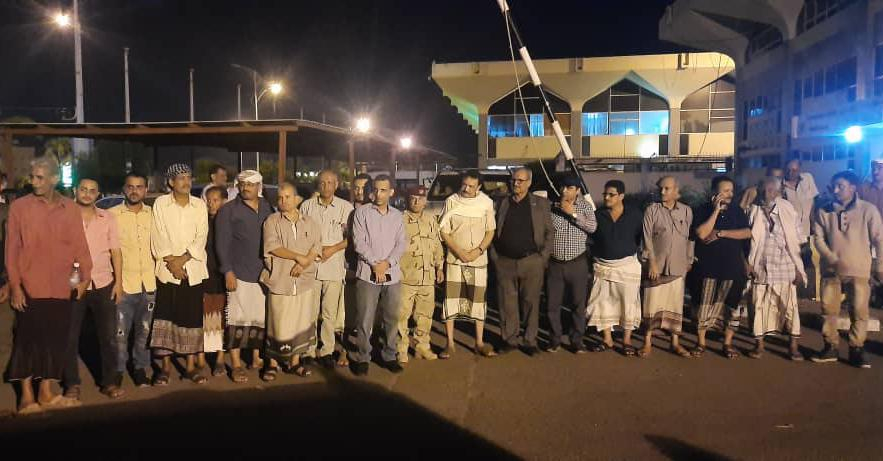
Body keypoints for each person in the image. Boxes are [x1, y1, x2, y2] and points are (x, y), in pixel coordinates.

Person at [6, 156, 92, 414]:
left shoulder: (70, 208)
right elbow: (11, 251)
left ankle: (45, 393)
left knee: (54, 341)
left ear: (55, 178)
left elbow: (80, 246)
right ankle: (26, 397)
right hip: (30, 287)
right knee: (27, 342)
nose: (34, 182)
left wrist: (84, 277)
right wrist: (15, 286)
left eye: (40, 177)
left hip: (61, 287)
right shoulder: (19, 208)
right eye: (32, 177)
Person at [811, 170, 883, 368]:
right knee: (828, 310)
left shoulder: (868, 210)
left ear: (852, 188)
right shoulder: (824, 211)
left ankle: (856, 348)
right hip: (831, 270)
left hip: (859, 269)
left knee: (859, 311)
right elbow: (818, 238)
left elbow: (879, 239)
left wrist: (880, 265)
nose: (835, 190)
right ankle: (830, 346)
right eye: (833, 186)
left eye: (840, 186)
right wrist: (832, 259)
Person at [63, 178, 125, 400]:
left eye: (92, 191)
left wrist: (118, 283)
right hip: (73, 285)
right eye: (83, 189)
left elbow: (116, 251)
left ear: (98, 195)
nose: (87, 194)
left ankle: (109, 382)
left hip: (103, 283)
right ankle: (71, 384)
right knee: (70, 338)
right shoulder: (64, 217)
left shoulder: (107, 218)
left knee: (108, 337)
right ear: (75, 191)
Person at [150, 163, 209, 385]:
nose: (186, 182)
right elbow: (158, 234)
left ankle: (190, 367)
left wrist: (183, 260)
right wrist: (172, 264)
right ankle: (165, 368)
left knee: (191, 318)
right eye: (181, 178)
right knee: (166, 317)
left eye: (188, 177)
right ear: (171, 182)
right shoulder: (161, 203)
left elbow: (201, 235)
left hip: (193, 269)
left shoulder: (199, 205)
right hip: (167, 271)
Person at [215, 170, 273, 383]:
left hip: (262, 273)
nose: (246, 187)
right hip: (238, 273)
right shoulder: (228, 210)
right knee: (237, 320)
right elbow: (221, 243)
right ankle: (236, 364)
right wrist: (227, 271)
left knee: (259, 319)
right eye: (243, 184)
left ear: (259, 186)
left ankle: (256, 359)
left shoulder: (267, 207)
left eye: (251, 184)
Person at [490, 168, 554, 356]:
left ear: (529, 183)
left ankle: (529, 340)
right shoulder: (501, 203)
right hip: (504, 261)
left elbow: (549, 232)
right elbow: (491, 230)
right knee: (506, 303)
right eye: (513, 180)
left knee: (530, 302)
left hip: (531, 261)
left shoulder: (541, 204)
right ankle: (509, 339)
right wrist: (494, 256)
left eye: (520, 180)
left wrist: (543, 257)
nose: (515, 183)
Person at [261, 183, 321, 378]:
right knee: (278, 323)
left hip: (303, 281)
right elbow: (272, 246)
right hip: (281, 280)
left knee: (300, 322)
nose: (283, 201)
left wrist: (304, 263)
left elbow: (316, 246)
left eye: (287, 197)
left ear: (297, 200)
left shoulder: (309, 222)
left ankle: (295, 363)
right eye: (280, 197)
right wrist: (297, 257)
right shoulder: (272, 221)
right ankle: (272, 363)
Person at [349, 175, 407, 375]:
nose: (379, 194)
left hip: (392, 275)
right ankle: (363, 356)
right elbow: (359, 242)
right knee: (365, 318)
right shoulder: (361, 213)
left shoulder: (397, 216)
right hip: (368, 274)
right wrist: (375, 264)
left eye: (383, 190)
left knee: (392, 317)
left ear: (391, 192)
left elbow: (401, 243)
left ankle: (389, 355)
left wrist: (386, 264)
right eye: (376, 189)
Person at [745, 176, 806, 360]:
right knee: (758, 306)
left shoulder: (788, 209)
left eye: (771, 190)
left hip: (785, 266)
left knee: (790, 308)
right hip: (761, 266)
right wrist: (747, 263)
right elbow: (746, 240)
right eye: (763, 190)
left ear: (779, 192)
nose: (766, 194)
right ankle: (759, 345)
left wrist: (798, 268)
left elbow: (798, 241)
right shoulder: (752, 210)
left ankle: (793, 347)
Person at [691, 175, 751, 359]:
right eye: (725, 191)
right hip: (708, 267)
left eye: (731, 191)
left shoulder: (737, 211)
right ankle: (701, 342)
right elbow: (701, 233)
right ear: (714, 192)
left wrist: (721, 233)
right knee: (704, 305)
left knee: (731, 306)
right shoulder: (702, 210)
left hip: (732, 267)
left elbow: (747, 232)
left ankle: (727, 343)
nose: (729, 194)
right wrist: (716, 211)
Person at [438, 170, 496, 359]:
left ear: (479, 187)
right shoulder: (451, 201)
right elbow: (444, 230)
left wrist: (478, 251)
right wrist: (459, 252)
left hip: (478, 260)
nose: (466, 188)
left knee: (477, 301)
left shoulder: (486, 203)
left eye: (471, 186)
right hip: (455, 260)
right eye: (464, 184)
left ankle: (479, 342)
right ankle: (450, 343)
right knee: (451, 300)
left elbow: (490, 231)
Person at [299, 170, 354, 369]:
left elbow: (351, 238)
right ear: (318, 184)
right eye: (322, 182)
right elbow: (300, 234)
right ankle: (308, 350)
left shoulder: (346, 208)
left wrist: (333, 249)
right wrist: (313, 250)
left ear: (336, 185)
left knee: (330, 314)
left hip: (334, 267)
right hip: (311, 268)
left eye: (330, 182)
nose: (326, 186)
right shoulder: (306, 206)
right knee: (310, 312)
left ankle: (327, 351)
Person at [586, 180, 643, 356]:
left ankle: (626, 341)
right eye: (605, 194)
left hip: (627, 265)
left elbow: (640, 237)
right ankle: (607, 340)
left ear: (621, 196)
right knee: (602, 303)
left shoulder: (635, 214)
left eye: (611, 194)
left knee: (628, 303)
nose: (607, 197)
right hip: (603, 266)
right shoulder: (598, 215)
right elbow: (592, 239)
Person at [111, 173, 157, 388]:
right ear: (124, 189)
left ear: (146, 190)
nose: (134, 191)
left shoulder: (154, 215)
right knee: (119, 332)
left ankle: (140, 368)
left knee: (144, 331)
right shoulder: (112, 215)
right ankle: (118, 370)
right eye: (130, 187)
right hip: (123, 284)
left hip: (149, 283)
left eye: (139, 187)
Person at [640, 176, 693, 358]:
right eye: (660, 188)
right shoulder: (652, 210)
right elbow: (646, 238)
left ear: (676, 190)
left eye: (667, 188)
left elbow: (689, 238)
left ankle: (674, 343)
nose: (662, 192)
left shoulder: (686, 211)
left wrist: (689, 260)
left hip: (678, 266)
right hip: (657, 267)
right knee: (651, 305)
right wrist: (652, 263)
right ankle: (647, 342)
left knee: (675, 306)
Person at [546, 175, 596, 353]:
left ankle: (576, 340)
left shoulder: (585, 206)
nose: (564, 191)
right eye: (562, 187)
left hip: (577, 262)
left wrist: (572, 213)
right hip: (555, 263)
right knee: (552, 304)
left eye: (569, 188)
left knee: (578, 304)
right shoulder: (552, 206)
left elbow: (592, 227)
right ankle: (554, 339)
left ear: (578, 190)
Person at [397, 185, 445, 362]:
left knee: (424, 316)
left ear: (425, 201)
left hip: (427, 277)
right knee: (401, 316)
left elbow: (437, 244)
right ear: (408, 200)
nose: (416, 202)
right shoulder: (399, 220)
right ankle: (400, 349)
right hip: (406, 277)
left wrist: (439, 267)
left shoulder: (431, 220)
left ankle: (422, 347)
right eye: (413, 198)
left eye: (420, 199)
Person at [200, 186, 228, 376]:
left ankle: (219, 358)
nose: (211, 204)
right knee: (203, 316)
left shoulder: (228, 222)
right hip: (204, 274)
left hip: (222, 275)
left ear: (224, 201)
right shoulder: (202, 221)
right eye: (208, 200)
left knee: (221, 317)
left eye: (215, 200)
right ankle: (201, 358)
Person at [782, 159, 819, 299]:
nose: (791, 173)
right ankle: (793, 293)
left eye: (794, 170)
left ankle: (807, 293)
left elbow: (813, 202)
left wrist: (814, 222)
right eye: (788, 170)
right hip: (790, 232)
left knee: (807, 260)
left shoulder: (808, 179)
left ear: (800, 169)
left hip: (806, 230)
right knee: (792, 261)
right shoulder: (781, 186)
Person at [859, 159, 883, 308]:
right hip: (867, 236)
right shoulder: (864, 188)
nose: (875, 171)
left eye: (879, 168)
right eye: (873, 168)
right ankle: (867, 299)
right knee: (867, 268)